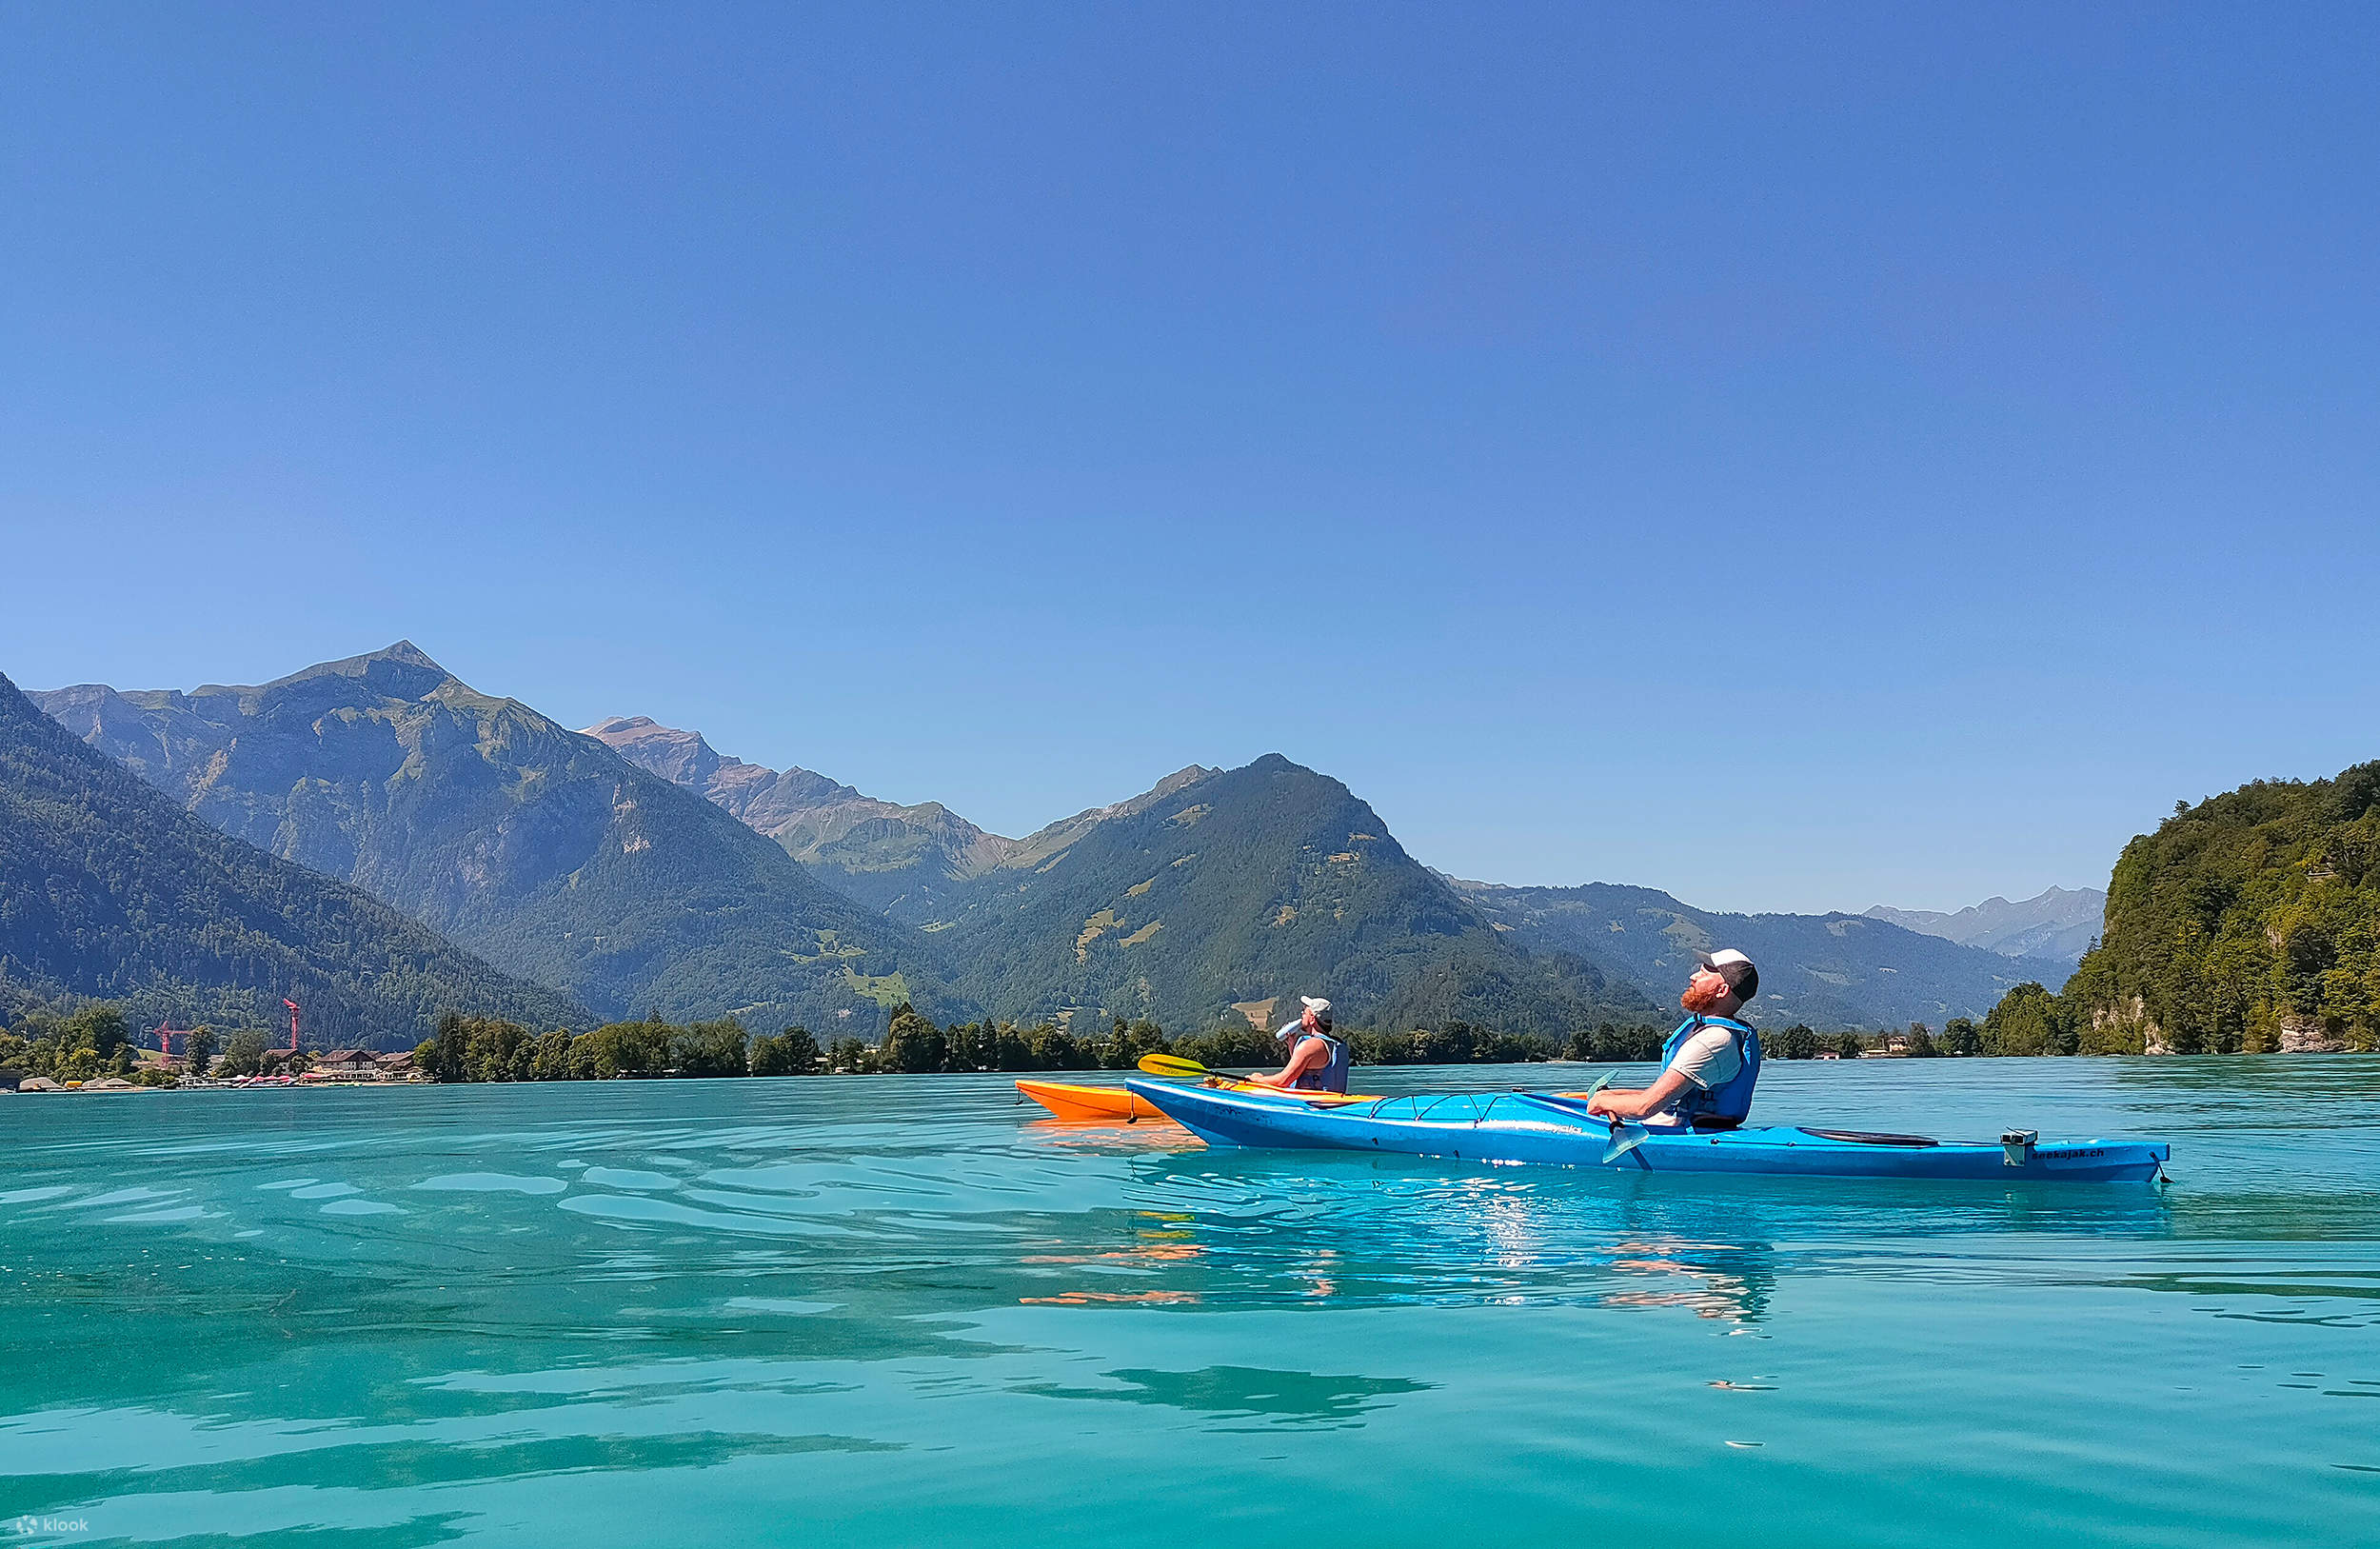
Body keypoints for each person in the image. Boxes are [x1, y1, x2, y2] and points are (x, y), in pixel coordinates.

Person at [1586, 950, 1762, 1130]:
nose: (1693, 976)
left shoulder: (1713, 1041)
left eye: (1705, 973)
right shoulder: (1713, 1033)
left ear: (1721, 990)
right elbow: (1668, 1097)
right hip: (1685, 1125)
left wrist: (1601, 1102)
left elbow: (1644, 1106)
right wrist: (1611, 1097)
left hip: (1679, 1135)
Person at [1242, 995, 1353, 1094]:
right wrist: (1292, 1047)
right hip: (1334, 1103)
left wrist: (1257, 1079)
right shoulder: (1337, 1044)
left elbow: (1283, 1081)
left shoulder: (1309, 1046)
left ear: (1312, 1019)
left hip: (1312, 1105)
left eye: (1305, 1011)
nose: (1302, 1013)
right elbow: (1310, 1069)